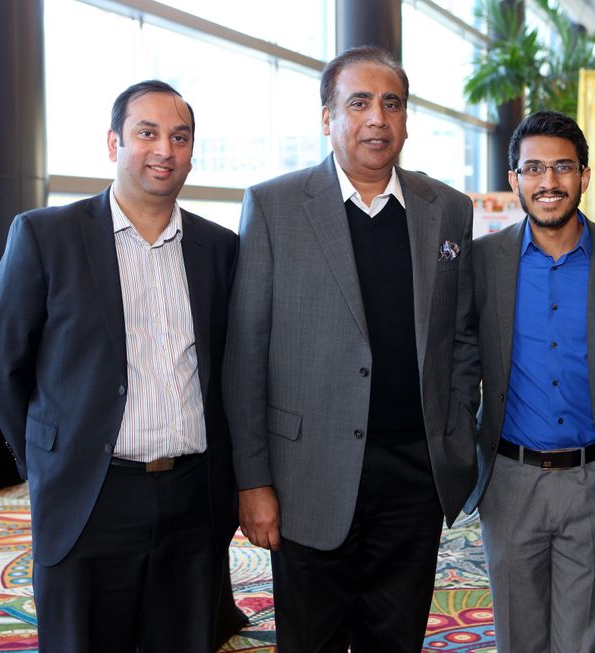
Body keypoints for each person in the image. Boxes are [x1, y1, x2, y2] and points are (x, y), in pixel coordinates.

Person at [222, 45, 479, 653]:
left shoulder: (447, 209)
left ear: (407, 119)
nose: (377, 119)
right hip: (306, 475)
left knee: (397, 637)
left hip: (414, 472)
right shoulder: (275, 205)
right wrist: (253, 481)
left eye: (392, 104)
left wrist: (455, 435)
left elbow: (462, 336)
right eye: (358, 102)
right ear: (327, 117)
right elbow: (245, 354)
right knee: (312, 639)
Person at [0, 80, 245, 652]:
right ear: (113, 143)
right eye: (146, 133)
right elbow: (1, 367)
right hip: (90, 496)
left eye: (179, 136)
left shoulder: (220, 249)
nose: (164, 150)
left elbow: (231, 372)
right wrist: (50, 459)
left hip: (192, 499)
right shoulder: (46, 236)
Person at [463, 110, 595, 653]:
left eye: (563, 167)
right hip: (509, 478)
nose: (549, 182)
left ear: (585, 176)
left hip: (592, 478)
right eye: (535, 169)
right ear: (514, 180)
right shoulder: (482, 262)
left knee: (583, 641)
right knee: (517, 638)